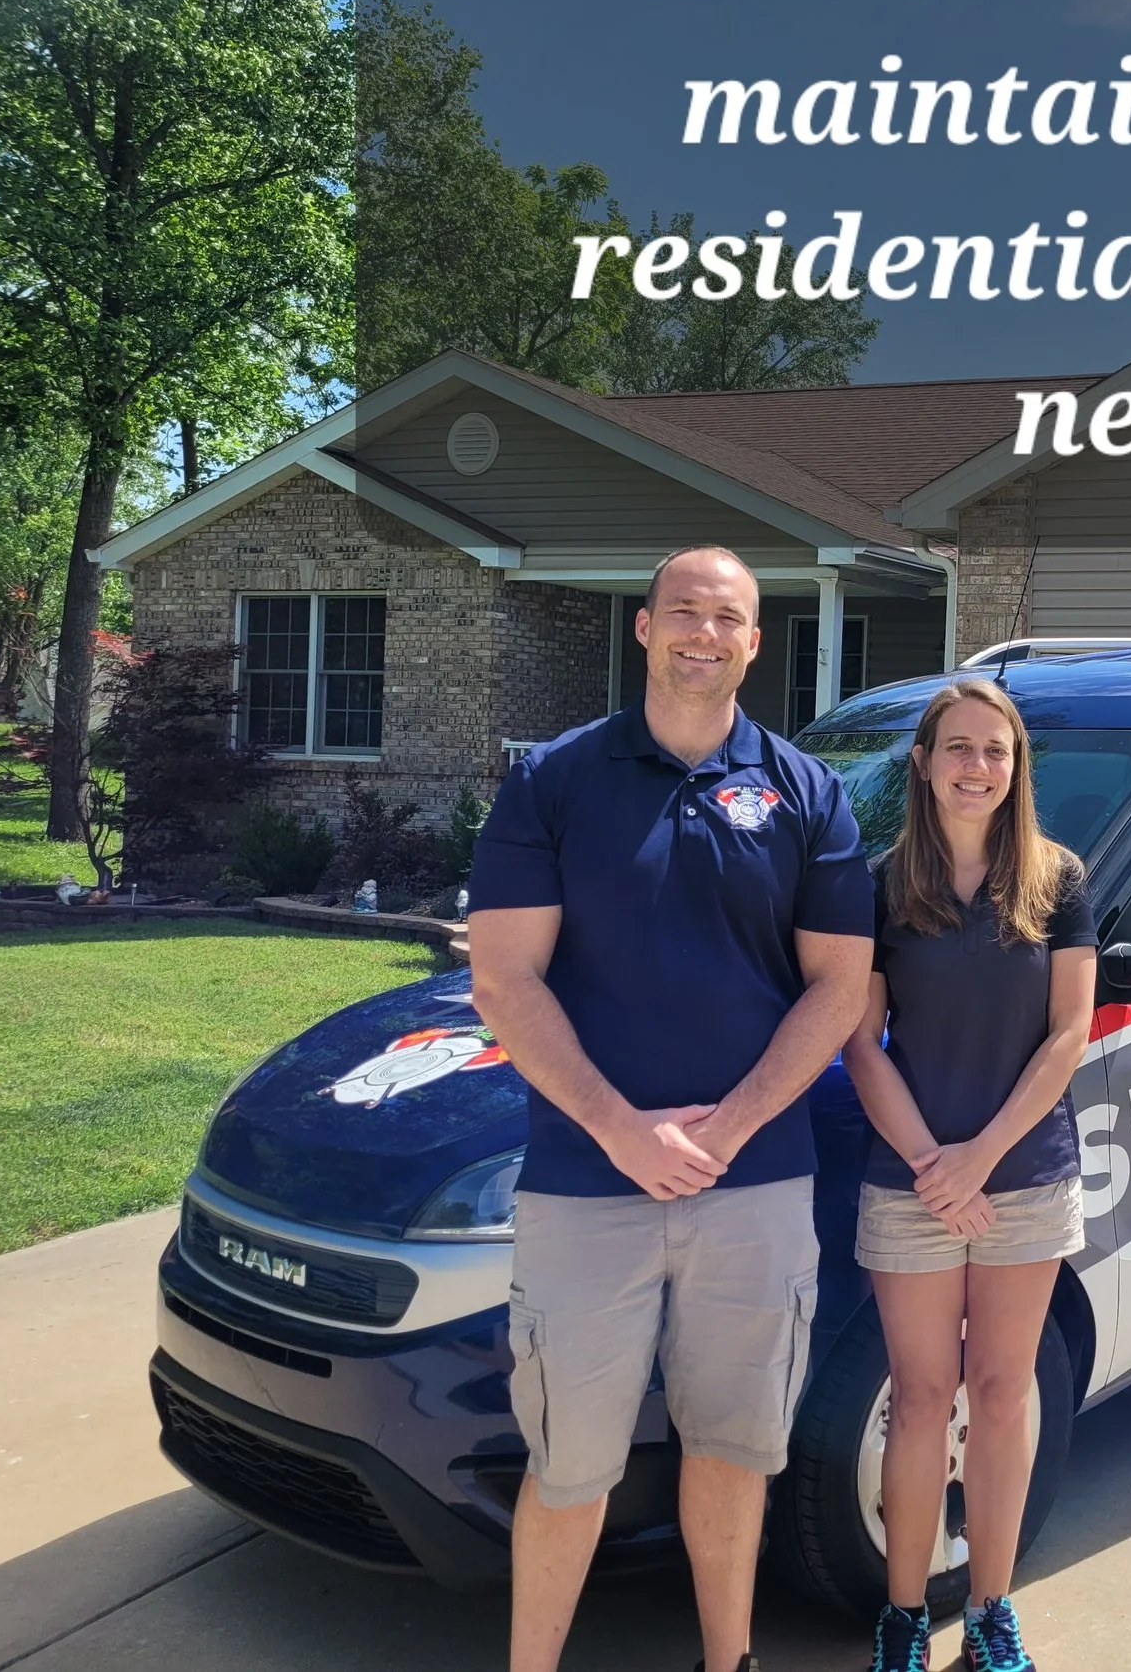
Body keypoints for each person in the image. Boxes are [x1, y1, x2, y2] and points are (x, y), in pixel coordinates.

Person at [470, 545, 874, 1672]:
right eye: (684, 612)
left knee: (737, 1451)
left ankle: (727, 1659)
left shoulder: (807, 791)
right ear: (643, 628)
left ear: (755, 641)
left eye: (729, 618)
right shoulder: (554, 779)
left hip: (754, 1186)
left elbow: (840, 984)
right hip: (584, 1186)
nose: (706, 632)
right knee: (569, 1465)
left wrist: (728, 1128)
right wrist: (617, 1128)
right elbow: (504, 979)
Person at [845, 679, 1098, 1672]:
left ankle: (992, 1609)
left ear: (1016, 765)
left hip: (1023, 1175)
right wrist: (928, 1165)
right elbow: (861, 1043)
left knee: (999, 1395)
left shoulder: (1057, 879)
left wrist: (977, 1158)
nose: (977, 766)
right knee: (919, 1398)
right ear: (923, 760)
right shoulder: (877, 886)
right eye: (958, 748)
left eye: (995, 751)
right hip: (908, 1181)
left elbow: (1068, 1032)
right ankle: (904, 1615)